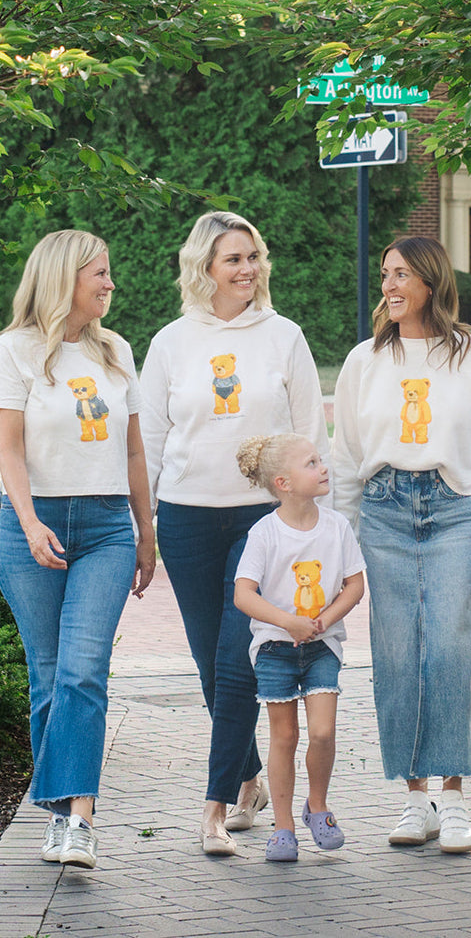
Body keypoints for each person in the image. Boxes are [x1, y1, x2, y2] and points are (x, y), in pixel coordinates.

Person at [140, 211, 330, 856]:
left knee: (234, 662)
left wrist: (318, 524)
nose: (247, 269)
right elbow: (150, 439)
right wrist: (146, 521)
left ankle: (213, 810)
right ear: (205, 268)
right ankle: (247, 777)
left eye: (253, 257)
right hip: (188, 517)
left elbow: (310, 435)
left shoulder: (284, 337)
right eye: (234, 259)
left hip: (261, 521)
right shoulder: (170, 341)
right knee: (208, 665)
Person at [331, 235, 471, 853]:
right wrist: (341, 541)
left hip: (457, 509)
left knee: (449, 650)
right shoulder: (364, 361)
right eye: (385, 274)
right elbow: (347, 457)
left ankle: (455, 799)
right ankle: (415, 800)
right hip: (382, 512)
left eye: (402, 274)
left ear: (432, 281)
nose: (390, 286)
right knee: (397, 654)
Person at [0, 229, 157, 870]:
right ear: (64, 280)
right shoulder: (14, 352)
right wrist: (29, 523)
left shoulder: (115, 351)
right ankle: (60, 817)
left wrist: (147, 531)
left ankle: (79, 819)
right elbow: (9, 449)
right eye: (99, 274)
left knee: (84, 671)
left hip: (108, 525)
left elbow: (135, 449)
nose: (111, 284)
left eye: (109, 273)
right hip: (37, 523)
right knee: (50, 675)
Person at [232, 433, 366, 862]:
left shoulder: (337, 526)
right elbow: (244, 595)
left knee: (323, 731)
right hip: (274, 649)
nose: (323, 468)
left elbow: (355, 585)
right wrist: (286, 620)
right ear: (283, 483)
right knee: (284, 736)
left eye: (321, 460)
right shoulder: (264, 533)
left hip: (323, 647)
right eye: (311, 463)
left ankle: (318, 807)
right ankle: (284, 826)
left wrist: (325, 620)